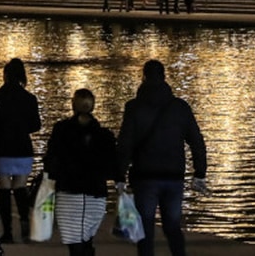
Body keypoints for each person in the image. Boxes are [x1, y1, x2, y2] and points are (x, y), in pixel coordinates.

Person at [117, 60, 208, 256]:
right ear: (165, 77)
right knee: (173, 226)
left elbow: (125, 143)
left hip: (145, 176)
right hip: (174, 176)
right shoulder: (180, 107)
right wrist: (199, 172)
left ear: (144, 77)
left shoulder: (134, 107)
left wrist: (119, 175)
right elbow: (196, 141)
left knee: (145, 228)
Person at [45, 89, 118, 256]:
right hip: (95, 192)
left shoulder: (61, 130)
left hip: (68, 191)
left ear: (73, 105)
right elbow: (112, 164)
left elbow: (52, 159)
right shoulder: (105, 135)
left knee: (73, 240)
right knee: (87, 236)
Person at [0, 57, 42, 243]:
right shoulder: (30, 98)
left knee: (5, 190)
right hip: (22, 148)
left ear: (5, 75)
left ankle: (7, 231)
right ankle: (25, 225)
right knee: (20, 188)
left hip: (1, 148)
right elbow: (36, 125)